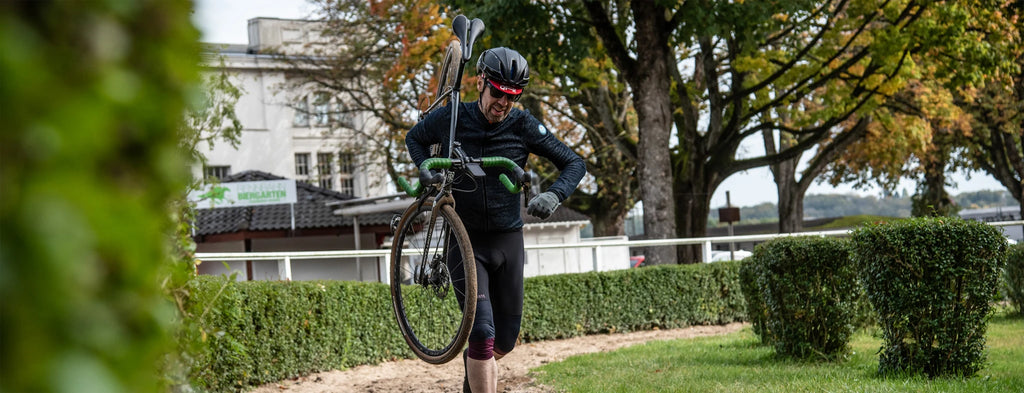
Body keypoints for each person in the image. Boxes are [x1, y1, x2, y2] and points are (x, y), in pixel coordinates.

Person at [405, 47, 586, 393]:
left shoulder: (523, 124)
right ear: (480, 83)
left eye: (512, 96)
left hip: (508, 240)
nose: (504, 103)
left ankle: (474, 371)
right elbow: (415, 138)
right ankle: (479, 362)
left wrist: (555, 194)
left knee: (503, 341)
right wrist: (425, 169)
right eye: (498, 93)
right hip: (466, 241)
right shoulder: (452, 117)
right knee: (482, 332)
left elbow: (574, 163)